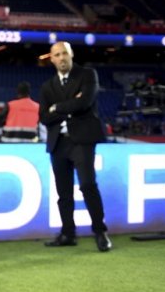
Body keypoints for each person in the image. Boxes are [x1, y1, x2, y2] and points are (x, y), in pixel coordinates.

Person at [39, 41, 112, 252]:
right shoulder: (47, 86)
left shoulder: (88, 75)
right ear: (51, 59)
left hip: (82, 140)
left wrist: (57, 107)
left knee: (88, 185)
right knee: (63, 192)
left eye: (64, 54)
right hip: (58, 143)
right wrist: (71, 106)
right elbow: (44, 117)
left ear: (71, 55)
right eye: (57, 55)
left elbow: (85, 102)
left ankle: (100, 232)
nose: (61, 58)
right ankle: (67, 233)